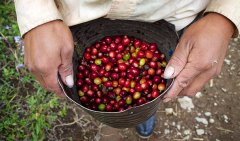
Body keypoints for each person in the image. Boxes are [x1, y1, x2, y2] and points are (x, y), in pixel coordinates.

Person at [14, 0, 240, 138]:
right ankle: (135, 114)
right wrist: (37, 13)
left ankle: (144, 114)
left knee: (160, 86)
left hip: (176, 17)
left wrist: (224, 16)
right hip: (75, 17)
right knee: (148, 86)